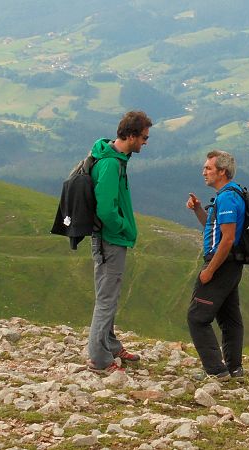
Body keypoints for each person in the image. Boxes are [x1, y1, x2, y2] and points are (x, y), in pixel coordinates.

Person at [87, 110, 153, 374]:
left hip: (110, 240)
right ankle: (99, 359)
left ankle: (111, 345)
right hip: (110, 240)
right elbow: (105, 210)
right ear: (131, 136)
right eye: (144, 137)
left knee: (110, 297)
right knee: (106, 299)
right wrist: (124, 227)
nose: (145, 142)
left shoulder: (116, 159)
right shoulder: (111, 164)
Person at [186, 150, 246, 382]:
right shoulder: (229, 195)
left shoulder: (228, 198)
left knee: (197, 317)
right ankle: (234, 368)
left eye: (208, 168)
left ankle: (215, 370)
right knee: (229, 317)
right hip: (231, 265)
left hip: (221, 264)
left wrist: (210, 270)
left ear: (222, 171)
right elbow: (214, 230)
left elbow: (228, 239)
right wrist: (198, 210)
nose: (204, 172)